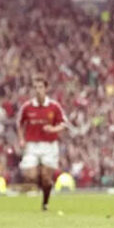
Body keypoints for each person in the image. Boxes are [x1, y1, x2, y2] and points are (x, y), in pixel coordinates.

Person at [17, 76, 67, 211]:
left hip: (49, 145)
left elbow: (63, 124)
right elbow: (20, 124)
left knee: (46, 178)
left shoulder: (54, 106)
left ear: (46, 88)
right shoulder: (27, 107)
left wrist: (53, 129)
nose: (37, 90)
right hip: (32, 145)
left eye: (40, 87)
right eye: (35, 87)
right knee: (30, 175)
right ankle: (40, 173)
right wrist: (21, 139)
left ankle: (45, 203)